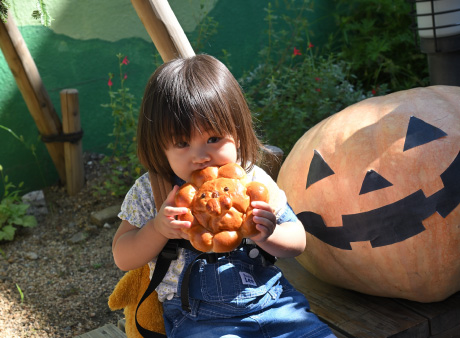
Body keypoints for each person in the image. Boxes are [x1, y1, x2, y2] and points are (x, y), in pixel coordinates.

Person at [112, 54, 335, 338]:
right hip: (199, 320)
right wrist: (157, 229)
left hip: (275, 303)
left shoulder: (252, 181)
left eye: (213, 139)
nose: (201, 157)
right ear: (159, 148)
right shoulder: (152, 191)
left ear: (238, 135)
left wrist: (268, 233)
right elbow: (123, 256)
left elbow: (298, 241)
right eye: (182, 143)